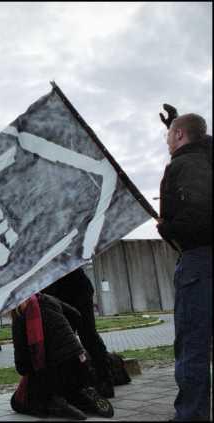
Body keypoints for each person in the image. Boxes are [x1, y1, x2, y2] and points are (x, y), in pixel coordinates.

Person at [157, 105, 212, 421]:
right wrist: (179, 121)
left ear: (179, 135)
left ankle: (191, 416)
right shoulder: (205, 159)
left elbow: (200, 217)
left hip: (199, 263)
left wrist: (168, 228)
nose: (166, 142)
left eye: (169, 135)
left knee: (192, 347)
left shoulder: (186, 165)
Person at [10, 293, 113, 420]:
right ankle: (85, 396)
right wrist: (66, 333)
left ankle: (55, 403)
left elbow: (22, 367)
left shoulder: (20, 317)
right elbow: (76, 314)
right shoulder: (49, 299)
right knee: (72, 388)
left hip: (56, 369)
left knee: (16, 402)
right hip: (81, 360)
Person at [42, 268, 115, 398]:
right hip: (64, 295)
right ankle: (76, 382)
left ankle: (104, 380)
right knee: (72, 340)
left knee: (87, 336)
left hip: (77, 293)